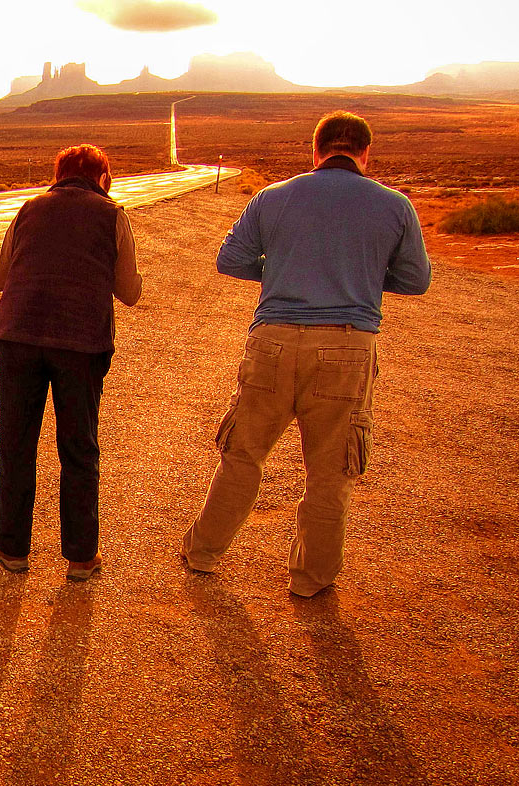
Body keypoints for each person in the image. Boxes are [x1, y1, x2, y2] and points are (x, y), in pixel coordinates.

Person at [181, 110, 432, 596]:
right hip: (348, 344)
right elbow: (416, 280)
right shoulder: (395, 205)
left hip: (273, 340)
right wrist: (361, 277)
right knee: (330, 471)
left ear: (315, 151)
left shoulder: (273, 197)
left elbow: (230, 259)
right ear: (364, 153)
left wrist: (282, 276)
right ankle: (310, 579)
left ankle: (203, 553)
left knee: (242, 455)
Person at [0, 144, 142, 581]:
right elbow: (129, 291)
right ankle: (80, 556)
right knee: (79, 448)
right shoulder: (113, 215)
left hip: (18, 338)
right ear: (103, 177)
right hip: (80, 344)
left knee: (16, 444)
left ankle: (12, 548)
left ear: (59, 174)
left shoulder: (29, 208)